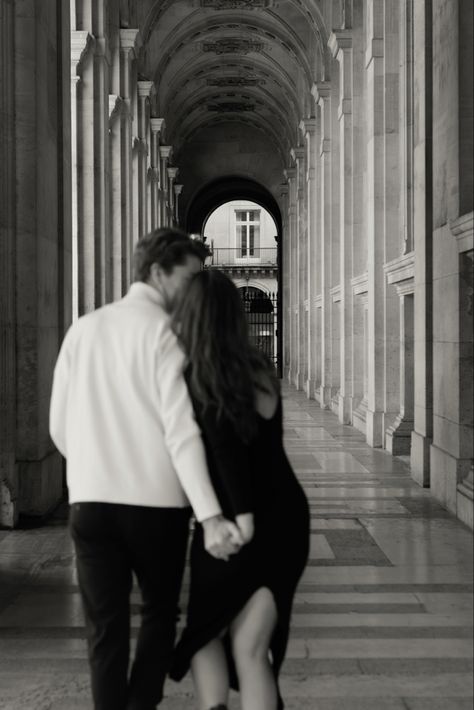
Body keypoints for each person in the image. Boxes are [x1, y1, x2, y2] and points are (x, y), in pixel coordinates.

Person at [49, 229, 246, 710]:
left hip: (90, 504)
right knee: (159, 614)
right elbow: (181, 433)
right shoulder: (167, 334)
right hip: (157, 508)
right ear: (158, 272)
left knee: (104, 628)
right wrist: (213, 514)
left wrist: (96, 468)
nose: (193, 288)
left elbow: (58, 424)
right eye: (188, 276)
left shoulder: (84, 328)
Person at [169, 269, 310, 710]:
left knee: (204, 633)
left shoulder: (200, 375)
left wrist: (240, 520)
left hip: (238, 519)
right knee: (251, 647)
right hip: (285, 519)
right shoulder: (260, 368)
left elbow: (228, 452)